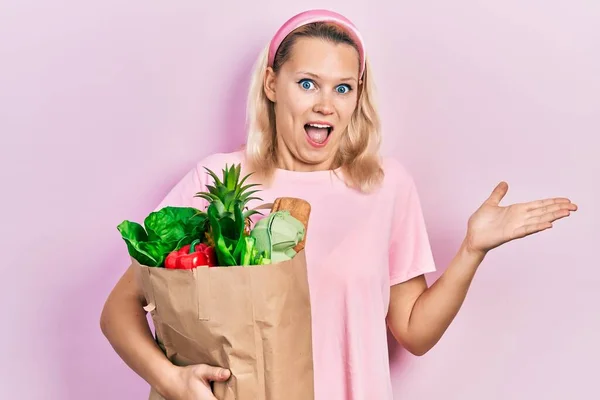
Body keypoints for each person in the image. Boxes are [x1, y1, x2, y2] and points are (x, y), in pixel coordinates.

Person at [100, 9, 578, 400]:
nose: (326, 104)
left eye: (342, 87)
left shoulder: (386, 186)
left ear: (356, 98)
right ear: (272, 84)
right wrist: (172, 381)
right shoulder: (217, 182)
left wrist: (472, 250)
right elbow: (119, 308)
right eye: (307, 83)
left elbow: (413, 332)